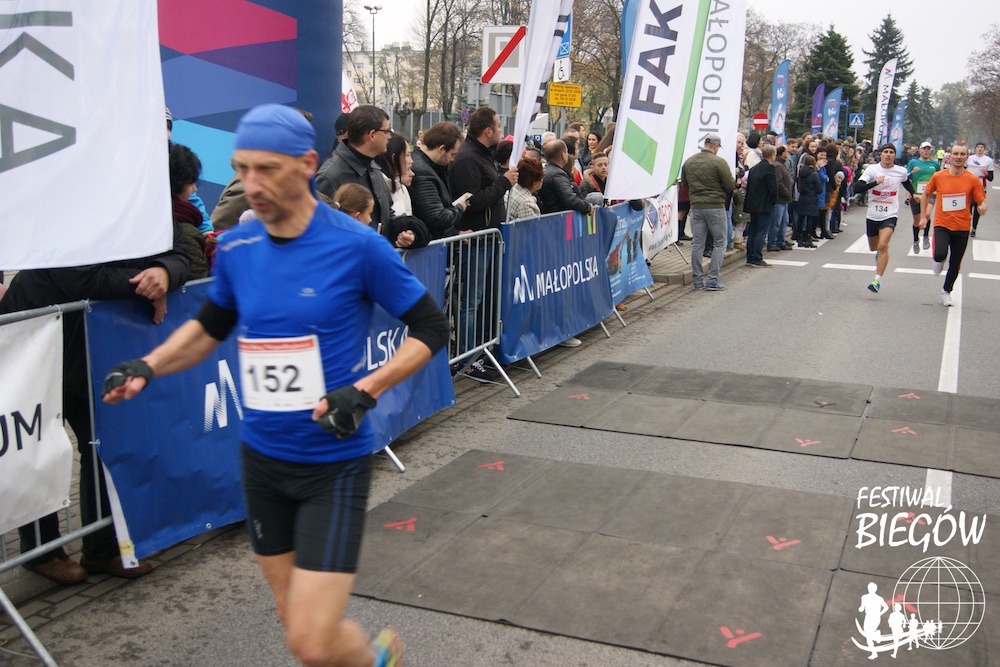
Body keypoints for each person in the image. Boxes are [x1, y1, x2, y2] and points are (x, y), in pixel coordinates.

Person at [101, 104, 449, 667]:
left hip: (331, 464)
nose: (252, 184)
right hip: (262, 460)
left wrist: (365, 390)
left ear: (307, 165)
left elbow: (432, 327)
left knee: (309, 640)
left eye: (267, 168)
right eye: (242, 169)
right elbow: (210, 327)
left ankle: (374, 658)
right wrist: (148, 365)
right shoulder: (240, 247)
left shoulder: (357, 246)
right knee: (298, 624)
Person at [2, 231, 192, 584]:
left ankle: (102, 548)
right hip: (37, 333)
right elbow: (79, 276)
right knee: (39, 444)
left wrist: (164, 272)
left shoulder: (149, 205)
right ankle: (41, 551)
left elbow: (180, 251)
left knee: (101, 442)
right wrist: (146, 285)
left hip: (97, 338)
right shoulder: (78, 206)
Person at [448, 106, 517, 355]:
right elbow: (472, 200)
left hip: (487, 238)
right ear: (487, 131)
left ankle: (479, 349)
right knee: (471, 300)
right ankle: (467, 356)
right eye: (498, 127)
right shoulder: (468, 158)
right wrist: (504, 182)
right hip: (476, 239)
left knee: (483, 299)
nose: (501, 131)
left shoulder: (482, 154)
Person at [920, 143, 987, 306]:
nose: (958, 157)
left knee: (955, 263)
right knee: (940, 254)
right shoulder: (939, 176)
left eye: (962, 154)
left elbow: (980, 201)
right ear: (950, 156)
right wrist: (923, 216)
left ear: (967, 157)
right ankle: (939, 260)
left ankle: (946, 291)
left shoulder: (972, 180)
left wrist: (982, 207)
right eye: (955, 154)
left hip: (962, 226)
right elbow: (926, 194)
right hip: (942, 223)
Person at [853, 143, 916, 293]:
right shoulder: (872, 169)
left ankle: (877, 280)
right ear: (880, 154)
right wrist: (875, 183)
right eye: (885, 152)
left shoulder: (900, 171)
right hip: (873, 214)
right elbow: (857, 187)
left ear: (894, 155)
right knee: (874, 247)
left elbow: (906, 182)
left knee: (883, 245)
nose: (888, 155)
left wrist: (914, 194)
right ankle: (880, 252)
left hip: (890, 214)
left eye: (891, 152)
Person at [681, 134, 736, 290]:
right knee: (720, 242)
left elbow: (684, 185)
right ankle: (712, 279)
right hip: (715, 206)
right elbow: (729, 185)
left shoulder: (689, 161)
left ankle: (697, 280)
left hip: (696, 207)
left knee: (698, 244)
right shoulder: (719, 162)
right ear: (716, 146)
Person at [409, 120, 466, 240]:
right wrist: (459, 208)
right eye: (452, 154)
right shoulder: (423, 172)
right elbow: (436, 218)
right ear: (441, 149)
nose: (452, 159)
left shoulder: (430, 165)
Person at [169, 143, 210, 279]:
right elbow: (198, 284)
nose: (194, 189)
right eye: (190, 183)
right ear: (177, 185)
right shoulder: (185, 232)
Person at [743, 144, 778, 267]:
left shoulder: (754, 168)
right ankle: (757, 257)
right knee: (761, 231)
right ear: (772, 155)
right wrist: (773, 202)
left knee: (752, 230)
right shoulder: (769, 168)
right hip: (764, 204)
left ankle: (750, 257)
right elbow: (773, 188)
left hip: (753, 204)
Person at [537, 140, 593, 217]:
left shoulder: (545, 170)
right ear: (563, 155)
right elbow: (570, 199)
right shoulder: (558, 174)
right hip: (557, 218)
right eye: (566, 152)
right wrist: (588, 207)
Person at [907, 141, 939, 253]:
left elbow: (940, 178)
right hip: (916, 194)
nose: (926, 151)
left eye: (928, 149)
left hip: (930, 193)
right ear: (920, 151)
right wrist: (912, 172)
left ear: (930, 151)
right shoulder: (913, 162)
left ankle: (925, 236)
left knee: (927, 214)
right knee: (917, 220)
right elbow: (905, 178)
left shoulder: (935, 164)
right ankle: (916, 240)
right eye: (924, 149)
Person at [966, 142, 994, 237]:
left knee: (978, 208)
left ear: (984, 149)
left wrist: (986, 173)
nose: (980, 149)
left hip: (981, 187)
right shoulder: (970, 158)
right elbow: (962, 169)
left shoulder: (988, 160)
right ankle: (967, 226)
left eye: (982, 147)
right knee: (968, 207)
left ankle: (974, 228)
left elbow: (991, 178)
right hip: (969, 185)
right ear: (975, 148)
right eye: (978, 147)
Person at [768, 145, 793, 251]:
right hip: (780, 198)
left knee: (784, 221)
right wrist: (786, 192)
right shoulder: (777, 165)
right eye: (786, 151)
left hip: (784, 199)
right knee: (776, 222)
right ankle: (772, 242)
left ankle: (780, 241)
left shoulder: (782, 164)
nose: (788, 153)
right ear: (782, 153)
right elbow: (779, 182)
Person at [795, 155, 821, 248]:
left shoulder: (801, 173)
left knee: (801, 218)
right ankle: (808, 238)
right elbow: (819, 189)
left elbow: (799, 186)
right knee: (810, 218)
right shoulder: (814, 174)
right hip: (811, 198)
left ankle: (800, 238)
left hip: (802, 197)